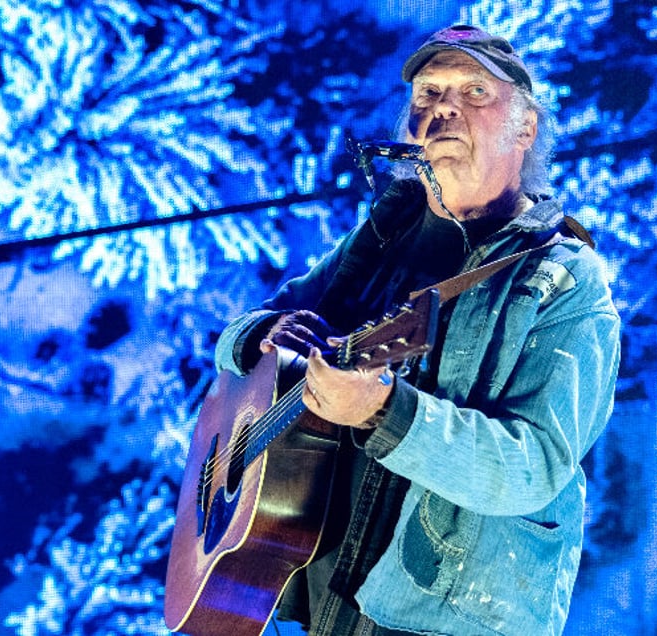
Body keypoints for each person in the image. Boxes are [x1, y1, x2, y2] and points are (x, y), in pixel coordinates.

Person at [214, 24, 620, 636]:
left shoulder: (563, 278)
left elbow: (534, 466)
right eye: (428, 93)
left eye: (475, 93)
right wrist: (265, 334)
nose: (444, 107)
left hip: (434, 620)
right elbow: (235, 344)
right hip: (306, 597)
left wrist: (384, 412)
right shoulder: (381, 235)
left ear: (526, 128)